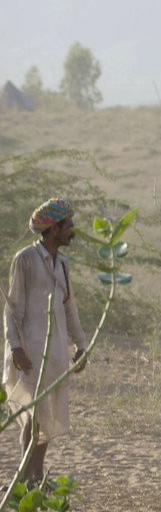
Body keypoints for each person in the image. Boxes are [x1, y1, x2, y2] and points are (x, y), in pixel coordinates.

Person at [4, 198, 88, 485]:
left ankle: (36, 477)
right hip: (30, 350)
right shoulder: (25, 259)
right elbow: (13, 309)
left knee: (47, 416)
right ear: (53, 229)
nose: (72, 231)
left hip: (55, 353)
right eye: (68, 226)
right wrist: (15, 348)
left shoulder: (62, 264)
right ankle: (26, 477)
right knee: (34, 416)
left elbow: (69, 309)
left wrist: (81, 346)